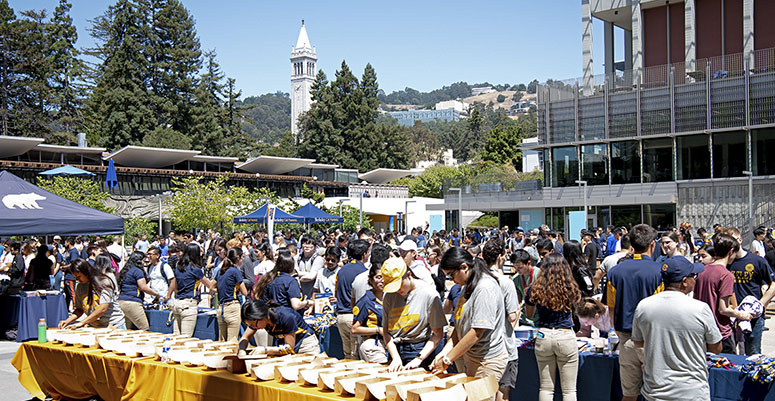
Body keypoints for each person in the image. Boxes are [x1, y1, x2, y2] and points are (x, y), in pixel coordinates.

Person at [631, 257, 722, 401]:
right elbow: (716, 348)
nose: (695, 280)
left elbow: (638, 342)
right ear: (684, 281)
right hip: (691, 392)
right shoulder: (700, 308)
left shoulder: (644, 306)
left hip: (655, 392)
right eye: (693, 276)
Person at [603, 224, 663, 401]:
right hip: (651, 340)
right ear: (652, 244)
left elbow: (611, 307)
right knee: (656, 393)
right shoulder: (659, 272)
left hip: (626, 338)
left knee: (628, 394)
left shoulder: (614, 272)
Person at [433, 247, 509, 382]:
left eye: (451, 275)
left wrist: (447, 359)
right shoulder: (467, 287)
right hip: (473, 357)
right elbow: (460, 328)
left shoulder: (484, 288)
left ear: (464, 267)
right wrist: (443, 353)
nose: (452, 280)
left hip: (487, 360)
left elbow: (477, 331)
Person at [524, 254, 581, 401]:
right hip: (565, 335)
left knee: (546, 388)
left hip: (544, 335)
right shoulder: (571, 287)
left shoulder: (534, 288)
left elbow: (529, 315)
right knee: (569, 390)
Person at [382, 257, 445, 371]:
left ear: (409, 275)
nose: (397, 290)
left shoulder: (428, 294)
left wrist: (418, 359)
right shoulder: (389, 296)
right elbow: (386, 331)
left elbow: (438, 334)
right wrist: (395, 357)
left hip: (418, 349)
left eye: (399, 285)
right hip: (395, 349)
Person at [693, 233, 752, 353]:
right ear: (731, 251)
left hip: (702, 330)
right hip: (720, 333)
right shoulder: (726, 275)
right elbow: (723, 309)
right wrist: (743, 315)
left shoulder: (702, 271)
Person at [724, 227, 775, 355]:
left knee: (753, 353)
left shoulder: (757, 261)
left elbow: (772, 284)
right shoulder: (725, 263)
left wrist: (760, 305)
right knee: (730, 354)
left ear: (740, 240)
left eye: (733, 241)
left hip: (753, 317)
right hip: (732, 315)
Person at [58, 259, 125, 329]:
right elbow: (79, 309)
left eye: (79, 276)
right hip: (96, 326)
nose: (77, 280)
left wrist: (82, 322)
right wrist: (67, 321)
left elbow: (103, 308)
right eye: (75, 277)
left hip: (114, 324)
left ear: (85, 272)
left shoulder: (103, 282)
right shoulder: (80, 287)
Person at [238, 299, 320, 354]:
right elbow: (245, 337)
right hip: (287, 346)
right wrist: (242, 350)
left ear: (262, 316)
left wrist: (265, 350)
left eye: (254, 325)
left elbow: (289, 347)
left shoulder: (286, 317)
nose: (253, 328)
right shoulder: (258, 321)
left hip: (305, 346)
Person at [166, 243, 212, 337]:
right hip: (188, 305)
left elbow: (175, 287)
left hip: (177, 303)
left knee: (176, 337)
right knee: (185, 339)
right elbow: (209, 285)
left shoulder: (178, 267)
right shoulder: (195, 269)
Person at [335, 239, 371, 360]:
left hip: (340, 316)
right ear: (364, 254)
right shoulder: (364, 273)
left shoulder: (341, 270)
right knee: (355, 356)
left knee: (347, 355)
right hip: (354, 318)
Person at [211, 247, 249, 342]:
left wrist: (220, 290)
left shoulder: (221, 270)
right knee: (232, 341)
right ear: (238, 258)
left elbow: (211, 287)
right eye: (242, 257)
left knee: (222, 340)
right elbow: (244, 292)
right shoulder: (235, 271)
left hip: (221, 308)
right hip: (232, 307)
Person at [352, 263, 387, 363]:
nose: (382, 281)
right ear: (371, 280)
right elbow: (354, 329)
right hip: (373, 344)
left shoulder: (390, 297)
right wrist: (378, 330)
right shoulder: (366, 301)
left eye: (385, 277)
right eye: (379, 277)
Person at [118, 251, 162, 330]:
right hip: (132, 302)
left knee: (127, 330)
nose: (144, 263)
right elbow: (143, 287)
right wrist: (157, 295)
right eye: (143, 260)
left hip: (121, 301)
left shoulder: (125, 270)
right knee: (144, 328)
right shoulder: (137, 271)